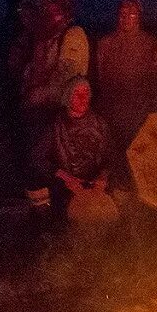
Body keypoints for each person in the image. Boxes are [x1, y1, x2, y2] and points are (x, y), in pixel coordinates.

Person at [22, 0, 89, 211]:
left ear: (64, 12)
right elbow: (32, 70)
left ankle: (63, 211)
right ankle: (43, 211)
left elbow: (67, 75)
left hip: (58, 111)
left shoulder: (73, 35)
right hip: (39, 110)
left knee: (53, 161)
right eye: (45, 10)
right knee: (37, 161)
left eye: (51, 10)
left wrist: (40, 93)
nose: (46, 15)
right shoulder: (46, 38)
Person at [30, 76, 116, 227]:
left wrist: (102, 178)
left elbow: (111, 156)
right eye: (77, 93)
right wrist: (65, 177)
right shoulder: (55, 127)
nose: (83, 98)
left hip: (94, 183)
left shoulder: (99, 124)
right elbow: (37, 158)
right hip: (65, 185)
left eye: (86, 93)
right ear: (68, 96)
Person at [95, 0, 156, 188]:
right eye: (122, 14)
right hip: (113, 109)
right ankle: (114, 192)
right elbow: (100, 75)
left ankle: (139, 191)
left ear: (139, 16)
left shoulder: (149, 43)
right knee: (113, 152)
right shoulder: (106, 43)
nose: (126, 17)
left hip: (139, 110)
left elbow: (154, 78)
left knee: (138, 152)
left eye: (131, 13)